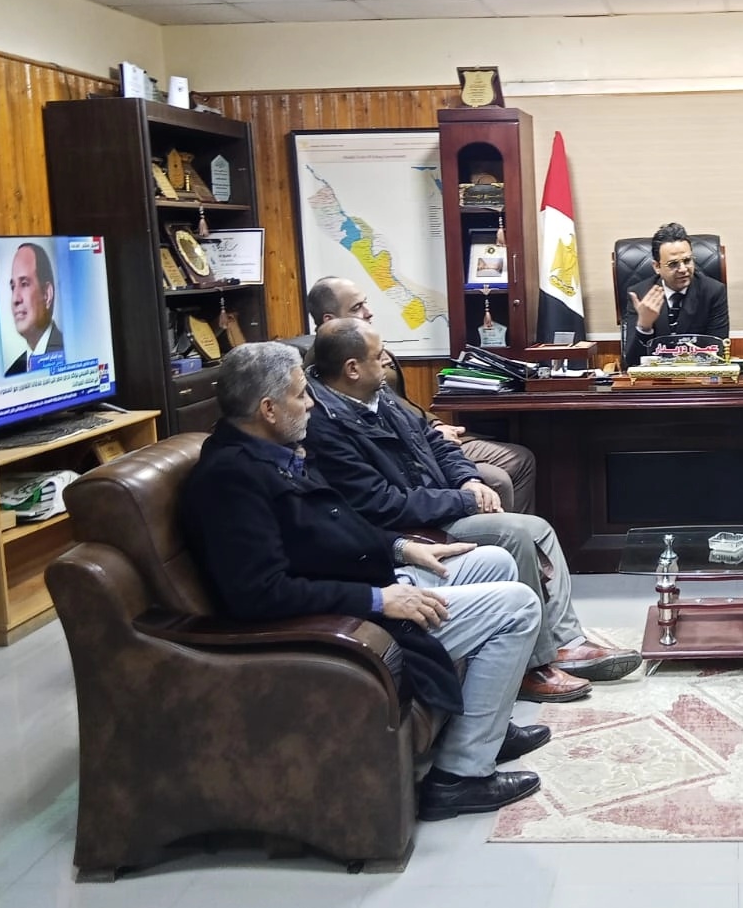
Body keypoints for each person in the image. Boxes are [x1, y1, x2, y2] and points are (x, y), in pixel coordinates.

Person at [178, 342, 548, 821]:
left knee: (494, 561)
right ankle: (461, 776)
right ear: (268, 409)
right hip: (350, 613)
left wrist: (402, 548)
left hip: (368, 575)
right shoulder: (231, 480)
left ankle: (485, 728)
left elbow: (334, 526)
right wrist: (378, 600)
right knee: (519, 605)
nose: (311, 404)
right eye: (300, 395)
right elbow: (260, 593)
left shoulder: (272, 449)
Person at [302, 317, 642, 703]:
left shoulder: (377, 394)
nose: (386, 362)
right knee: (519, 534)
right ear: (352, 368)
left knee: (537, 528)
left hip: (439, 504)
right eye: (378, 356)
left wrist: (469, 481)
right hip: (408, 527)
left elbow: (436, 440)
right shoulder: (326, 425)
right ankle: (532, 667)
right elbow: (381, 503)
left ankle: (566, 642)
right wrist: (463, 501)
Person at [305, 276, 537, 515]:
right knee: (498, 482)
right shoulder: (331, 375)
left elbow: (404, 411)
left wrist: (436, 430)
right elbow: (381, 495)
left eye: (365, 303)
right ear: (352, 369)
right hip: (407, 467)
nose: (368, 312)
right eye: (357, 307)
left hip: (419, 440)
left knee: (517, 462)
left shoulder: (370, 367)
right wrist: (463, 498)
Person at [619, 222, 730, 369]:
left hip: (698, 377)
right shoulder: (641, 295)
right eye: (673, 264)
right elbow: (632, 361)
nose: (683, 269)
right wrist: (644, 326)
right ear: (657, 267)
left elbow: (717, 354)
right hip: (655, 380)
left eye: (687, 261)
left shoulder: (713, 292)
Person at [3, 242, 64, 376]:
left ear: (46, 295)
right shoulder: (12, 373)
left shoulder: (73, 352)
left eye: (24, 284)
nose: (15, 299)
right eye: (13, 287)